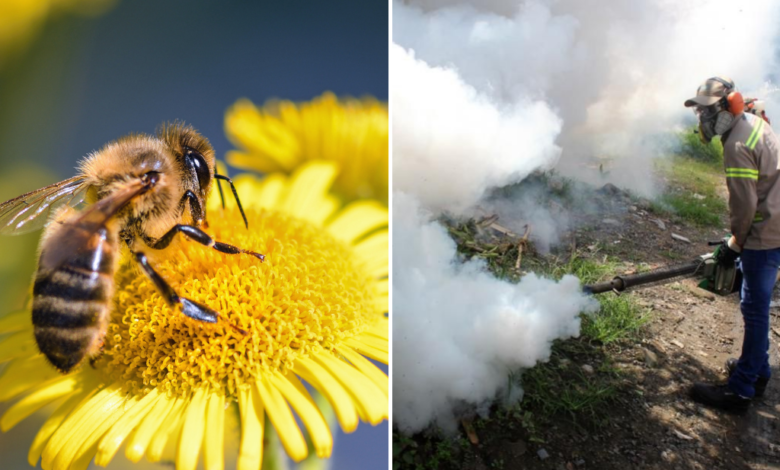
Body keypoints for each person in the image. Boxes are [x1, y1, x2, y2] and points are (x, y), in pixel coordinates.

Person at [684, 76, 779, 412]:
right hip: (774, 222)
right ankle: (758, 372)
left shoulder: (737, 144)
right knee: (755, 306)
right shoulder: (751, 122)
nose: (703, 120)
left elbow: (744, 207)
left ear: (728, 106)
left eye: (707, 112)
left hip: (766, 233)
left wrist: (734, 244)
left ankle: (740, 391)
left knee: (753, 308)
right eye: (700, 113)